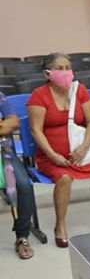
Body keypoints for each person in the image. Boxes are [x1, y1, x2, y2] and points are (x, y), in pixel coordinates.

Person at [27, 53, 90, 247]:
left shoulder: (80, 90)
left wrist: (84, 147)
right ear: (47, 73)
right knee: (64, 178)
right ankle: (60, 224)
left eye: (67, 67)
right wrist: (54, 155)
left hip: (81, 152)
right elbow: (36, 130)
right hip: (51, 156)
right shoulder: (39, 95)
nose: (65, 72)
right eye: (59, 68)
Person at [0, 92, 36, 259]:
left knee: (22, 185)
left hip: (2, 153)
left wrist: (6, 124)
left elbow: (13, 122)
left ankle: (22, 236)